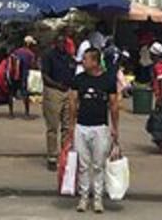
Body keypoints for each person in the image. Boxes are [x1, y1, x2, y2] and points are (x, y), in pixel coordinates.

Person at [69, 48, 120, 213]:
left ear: (95, 62)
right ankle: (83, 197)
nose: (83, 62)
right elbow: (73, 102)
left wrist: (115, 128)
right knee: (83, 165)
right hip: (81, 126)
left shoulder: (108, 80)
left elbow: (113, 105)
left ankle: (98, 199)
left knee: (98, 165)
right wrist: (71, 125)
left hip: (101, 127)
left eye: (86, 59)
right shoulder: (78, 79)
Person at [41, 34, 75, 171]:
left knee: (67, 126)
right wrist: (57, 85)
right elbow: (45, 76)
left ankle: (64, 154)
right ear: (55, 42)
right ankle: (52, 156)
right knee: (53, 126)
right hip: (53, 91)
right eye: (59, 42)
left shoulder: (67, 56)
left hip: (67, 90)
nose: (62, 44)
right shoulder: (49, 56)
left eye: (64, 42)